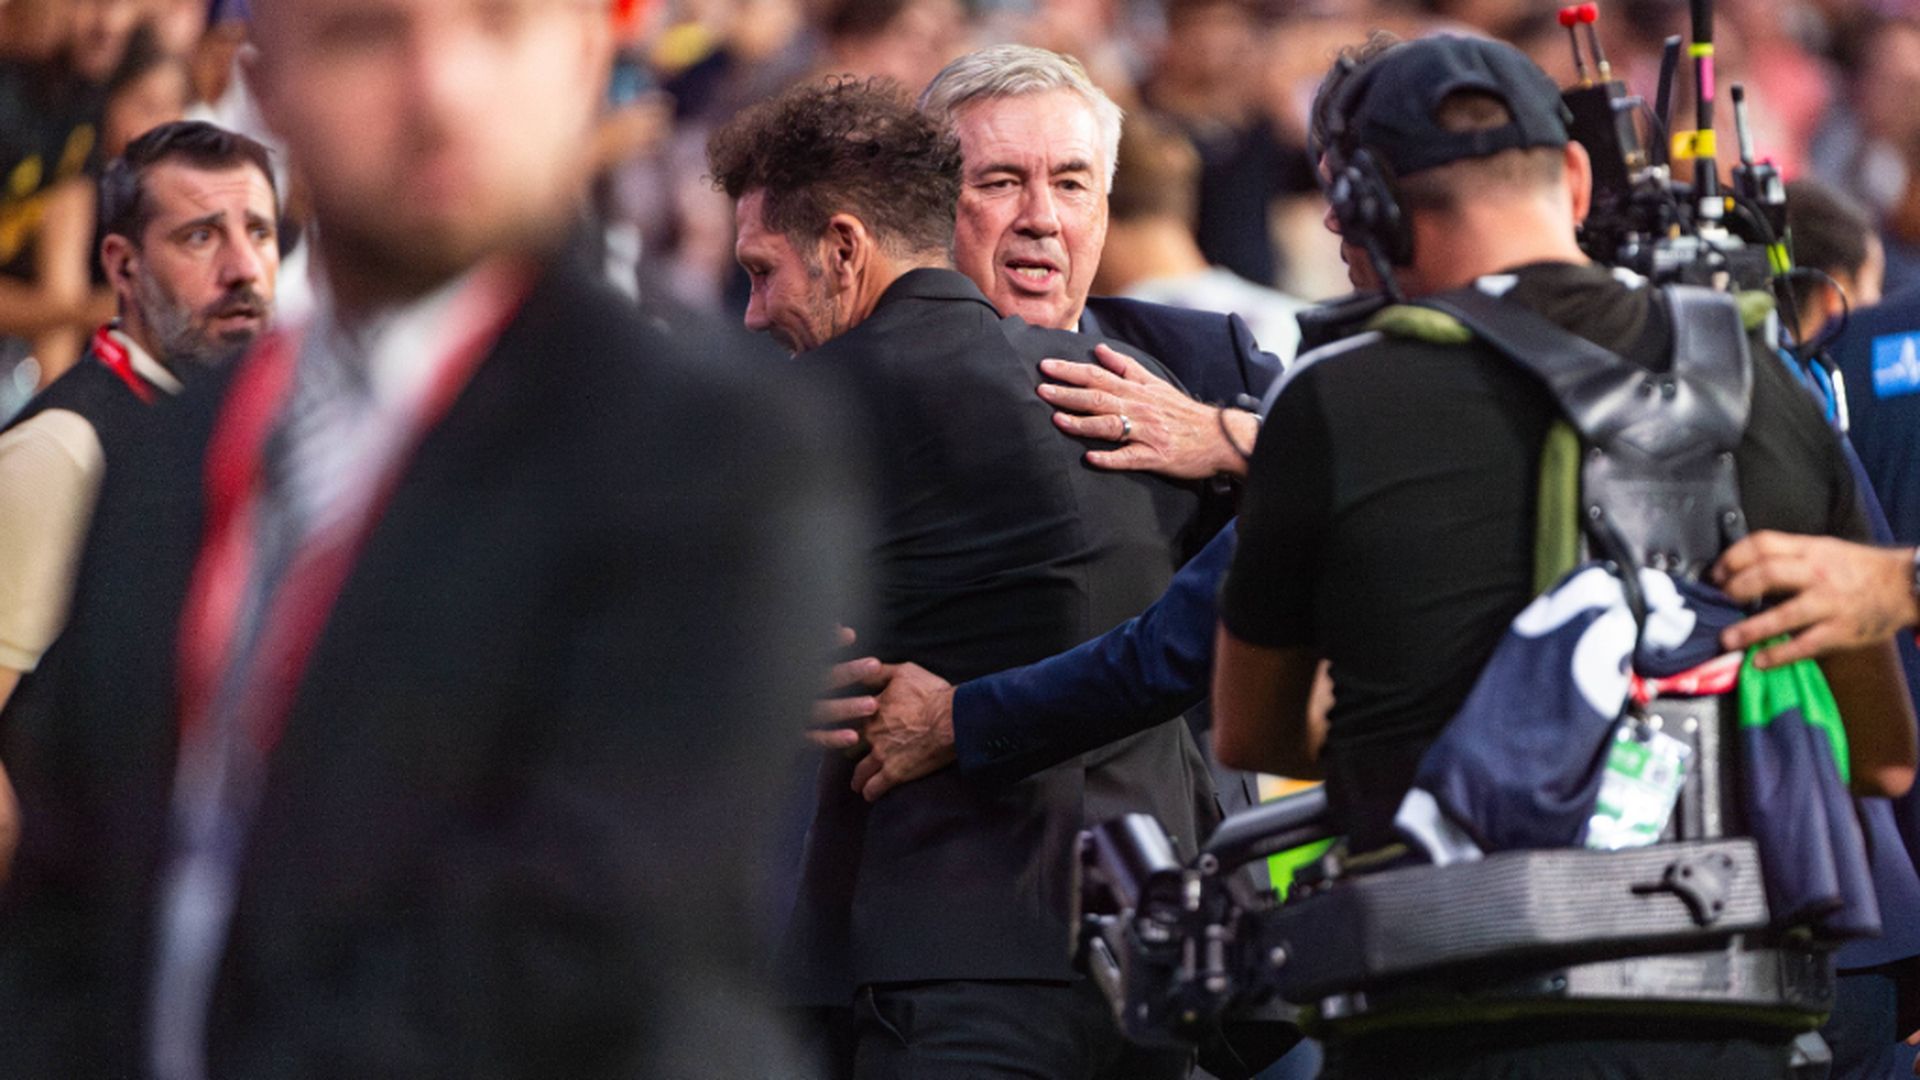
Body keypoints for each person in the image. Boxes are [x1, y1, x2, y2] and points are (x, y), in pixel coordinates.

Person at [0, 1, 856, 1077]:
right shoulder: (163, 450)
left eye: (497, 26)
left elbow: (568, 957)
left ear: (588, 61)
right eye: (366, 34)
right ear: (268, 91)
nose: (437, 90)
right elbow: (73, 906)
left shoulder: (710, 455)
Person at [1212, 33, 1916, 1079]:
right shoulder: (1755, 373)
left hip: (1445, 1019)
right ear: (1579, 175)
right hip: (1728, 1017)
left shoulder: (1329, 402)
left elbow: (1251, 726)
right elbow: (1883, 757)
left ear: (1369, 211)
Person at [709, 76, 1209, 1080]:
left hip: (932, 974)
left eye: (764, 273)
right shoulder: (1135, 415)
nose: (756, 314)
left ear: (845, 248)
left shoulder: (808, 412)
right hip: (1147, 979)